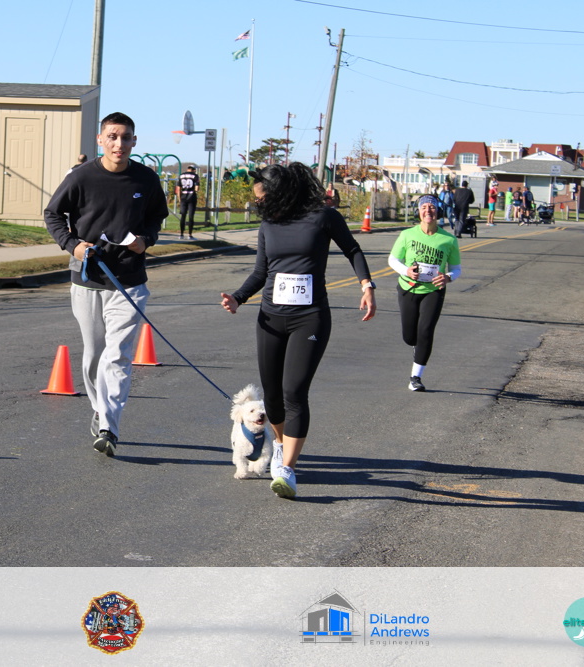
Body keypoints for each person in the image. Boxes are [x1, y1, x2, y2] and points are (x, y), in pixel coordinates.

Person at [220, 163, 376, 499]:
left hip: (310, 318)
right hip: (270, 318)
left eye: (261, 192)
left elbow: (352, 249)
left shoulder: (323, 217)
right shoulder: (269, 224)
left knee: (294, 392)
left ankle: (287, 469)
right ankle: (280, 444)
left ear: (279, 191)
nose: (257, 198)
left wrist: (367, 285)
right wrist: (238, 297)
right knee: (273, 396)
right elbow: (261, 271)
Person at [44, 112, 168, 457]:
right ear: (100, 140)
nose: (119, 143)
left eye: (126, 137)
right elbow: (52, 214)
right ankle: (100, 409)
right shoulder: (81, 177)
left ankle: (109, 426)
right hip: (88, 279)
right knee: (95, 354)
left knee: (118, 356)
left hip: (130, 281)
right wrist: (73, 246)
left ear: (134, 142)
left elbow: (157, 218)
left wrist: (145, 240)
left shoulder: (146, 179)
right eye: (112, 136)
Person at [388, 195, 461, 392]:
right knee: (410, 337)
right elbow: (393, 260)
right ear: (419, 211)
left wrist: (448, 277)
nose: (428, 211)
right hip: (408, 288)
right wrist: (406, 271)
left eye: (432, 207)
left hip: (434, 291)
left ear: (438, 211)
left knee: (426, 332)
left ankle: (416, 377)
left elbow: (456, 269)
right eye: (424, 207)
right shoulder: (407, 235)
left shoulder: (449, 239)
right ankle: (416, 346)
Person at [176, 165, 200, 240]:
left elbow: (178, 188)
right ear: (193, 170)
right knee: (191, 216)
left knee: (183, 216)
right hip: (191, 196)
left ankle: (181, 234)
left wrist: (179, 199)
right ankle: (190, 235)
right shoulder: (195, 176)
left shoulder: (181, 175)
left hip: (183, 197)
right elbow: (197, 188)